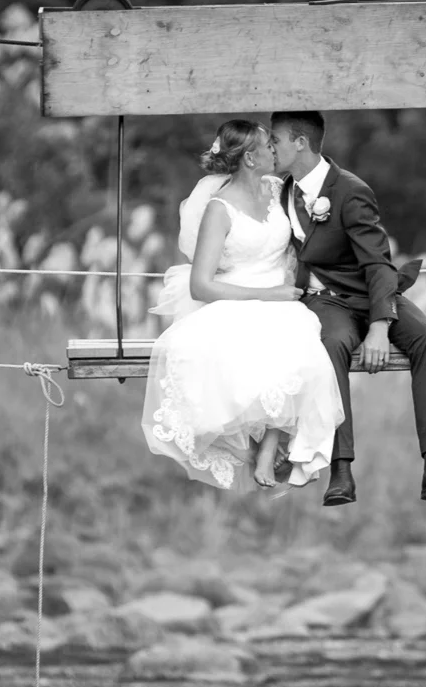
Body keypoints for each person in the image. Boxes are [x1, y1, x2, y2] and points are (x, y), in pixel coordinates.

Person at [269, 110, 426, 509]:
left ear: (300, 142)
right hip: (325, 300)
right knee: (332, 345)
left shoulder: (350, 190)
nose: (271, 148)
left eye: (276, 140)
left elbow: (377, 264)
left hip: (371, 292)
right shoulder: (281, 191)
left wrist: (380, 326)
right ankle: (341, 469)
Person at [142, 119, 344, 491]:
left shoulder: (278, 189)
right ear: (250, 158)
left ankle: (269, 446)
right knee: (237, 357)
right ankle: (256, 448)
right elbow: (201, 285)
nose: (274, 150)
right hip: (238, 298)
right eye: (268, 146)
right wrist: (269, 296)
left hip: (283, 299)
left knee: (305, 351)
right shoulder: (219, 209)